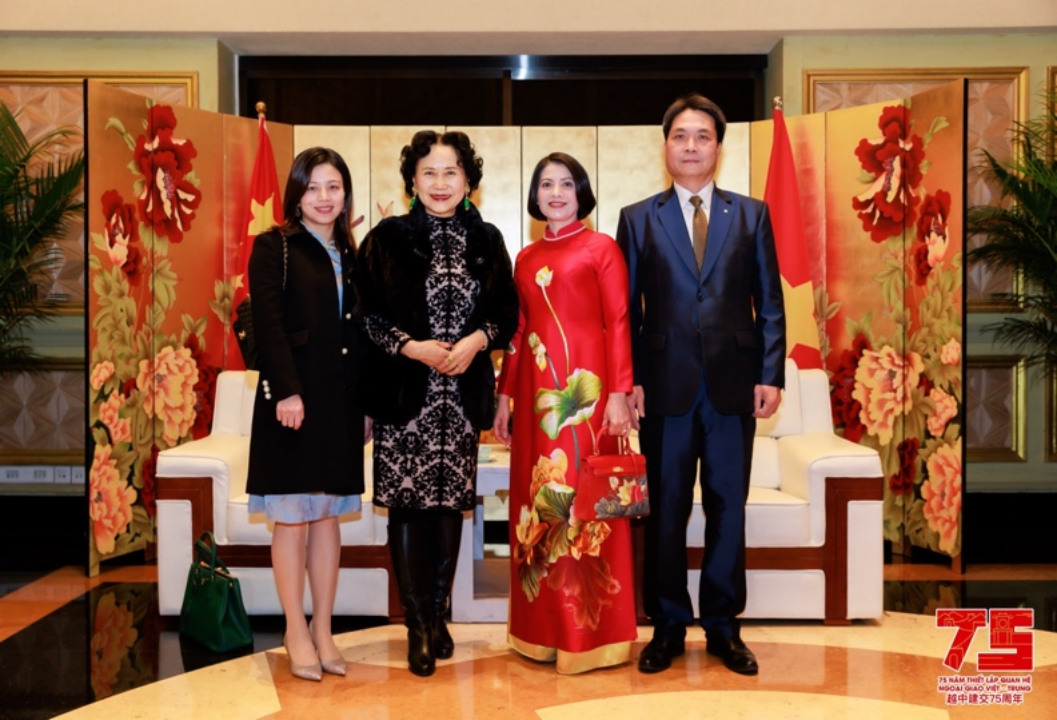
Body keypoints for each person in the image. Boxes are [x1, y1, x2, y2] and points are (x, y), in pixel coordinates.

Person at [617, 94, 786, 676]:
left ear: (718, 146)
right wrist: (630, 381)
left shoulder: (752, 214)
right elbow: (626, 311)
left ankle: (722, 625)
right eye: (680, 136)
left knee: (726, 507)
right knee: (664, 511)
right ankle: (666, 625)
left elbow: (770, 301)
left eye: (702, 136)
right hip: (663, 389)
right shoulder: (638, 218)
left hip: (733, 388)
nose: (691, 146)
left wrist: (770, 375)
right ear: (665, 145)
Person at [355, 130, 518, 677]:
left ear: (468, 181)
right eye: (429, 172)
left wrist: (477, 342)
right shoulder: (387, 238)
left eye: (451, 172)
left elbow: (507, 313)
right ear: (412, 181)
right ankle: (417, 624)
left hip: (461, 398)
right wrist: (411, 346)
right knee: (407, 507)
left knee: (450, 506)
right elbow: (365, 313)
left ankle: (440, 613)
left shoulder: (487, 239)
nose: (440, 183)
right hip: (406, 395)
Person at [493, 153, 637, 674]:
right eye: (546, 184)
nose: (556, 193)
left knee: (588, 508)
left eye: (566, 184)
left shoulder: (603, 249)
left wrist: (619, 393)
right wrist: (504, 397)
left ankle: (593, 638)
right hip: (537, 402)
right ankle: (539, 634)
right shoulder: (526, 257)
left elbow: (618, 321)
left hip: (590, 402)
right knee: (539, 511)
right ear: (535, 195)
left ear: (581, 193)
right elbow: (517, 331)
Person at [246, 146, 370, 682]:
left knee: (327, 515)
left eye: (333, 187)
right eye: (313, 187)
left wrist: (365, 406)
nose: (324, 197)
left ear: (345, 195)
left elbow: (360, 336)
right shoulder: (274, 246)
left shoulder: (351, 253)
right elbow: (268, 324)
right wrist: (286, 392)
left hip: (340, 404)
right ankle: (294, 629)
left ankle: (323, 628)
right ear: (296, 194)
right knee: (292, 517)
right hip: (293, 404)